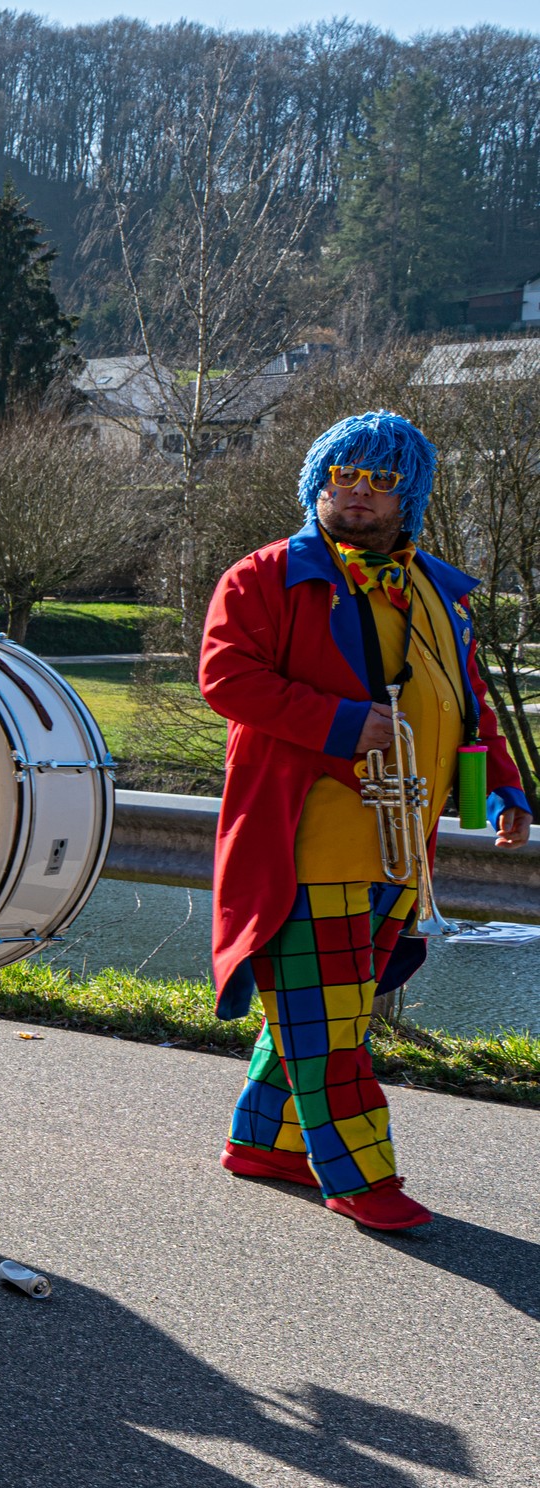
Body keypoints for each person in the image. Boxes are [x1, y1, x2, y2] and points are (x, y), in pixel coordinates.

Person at [200, 410, 529, 1231]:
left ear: (406, 496)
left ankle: (263, 1139)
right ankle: (363, 1178)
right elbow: (225, 678)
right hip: (309, 843)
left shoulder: (439, 592)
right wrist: (342, 725)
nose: (356, 495)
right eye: (342, 476)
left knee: (324, 1006)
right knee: (336, 1026)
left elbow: (467, 706)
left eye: (379, 481)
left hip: (400, 848)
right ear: (318, 483)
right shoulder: (264, 576)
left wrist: (503, 790)